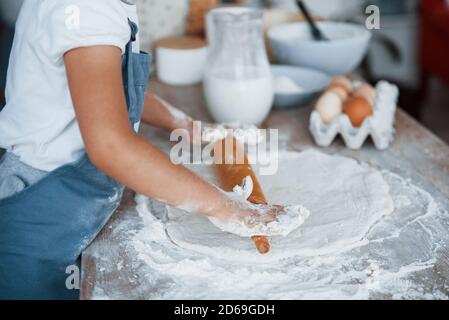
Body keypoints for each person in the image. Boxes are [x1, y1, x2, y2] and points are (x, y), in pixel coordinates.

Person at [0, 0, 283, 299]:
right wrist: (227, 207)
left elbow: (105, 87)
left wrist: (178, 122)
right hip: (40, 214)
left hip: (67, 208)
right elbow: (111, 147)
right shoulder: (85, 8)